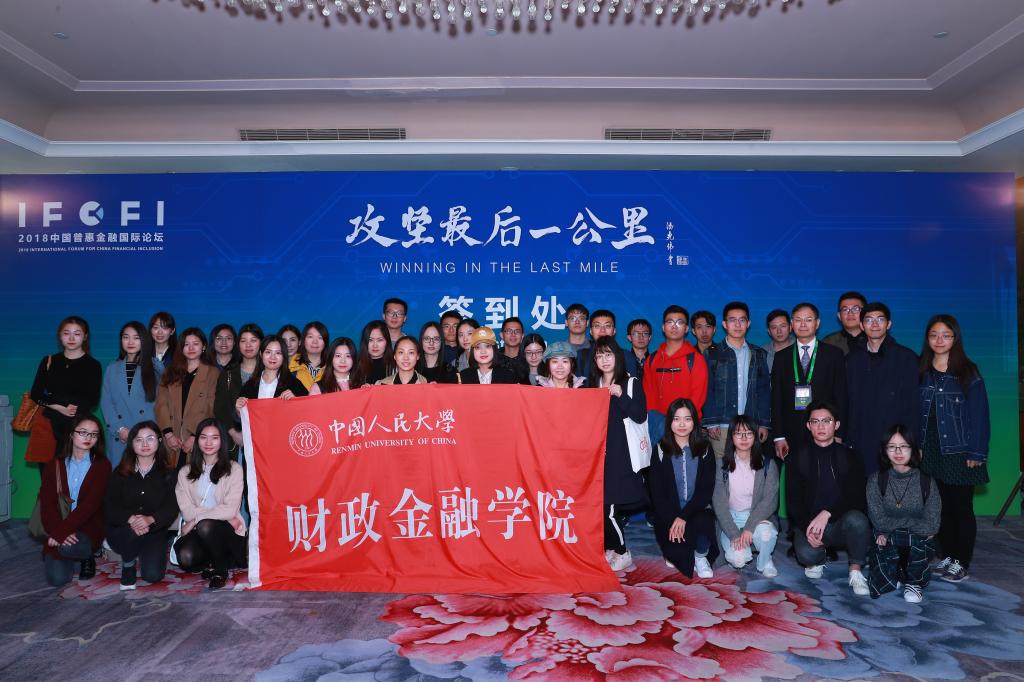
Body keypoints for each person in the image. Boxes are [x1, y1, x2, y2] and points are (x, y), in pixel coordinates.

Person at [918, 313, 989, 584]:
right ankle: (947, 555)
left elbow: (980, 415)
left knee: (961, 508)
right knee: (940, 507)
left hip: (959, 450)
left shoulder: (968, 371)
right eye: (934, 335)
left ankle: (961, 561)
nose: (939, 340)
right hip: (930, 449)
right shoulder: (922, 370)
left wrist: (976, 452)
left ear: (955, 338)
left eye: (946, 335)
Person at [786, 401, 870, 596]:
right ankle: (820, 557)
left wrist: (827, 513)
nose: (821, 426)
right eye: (815, 421)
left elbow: (857, 497)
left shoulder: (850, 456)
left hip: (840, 522)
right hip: (811, 524)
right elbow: (793, 502)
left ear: (836, 424)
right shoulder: (797, 457)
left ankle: (855, 571)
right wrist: (807, 527)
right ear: (808, 426)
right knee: (807, 555)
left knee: (858, 520)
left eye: (826, 421)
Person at [588, 337, 647, 572]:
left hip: (622, 455)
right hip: (598, 455)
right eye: (599, 356)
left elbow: (640, 415)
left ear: (617, 357)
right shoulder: (592, 385)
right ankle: (612, 548)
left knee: (608, 508)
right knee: (600, 507)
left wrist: (621, 395)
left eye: (608, 354)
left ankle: (622, 552)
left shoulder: (630, 382)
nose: (604, 360)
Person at [867, 425, 941, 603]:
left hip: (918, 542)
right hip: (886, 538)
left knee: (910, 538)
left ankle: (914, 582)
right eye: (892, 446)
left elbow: (932, 525)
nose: (898, 452)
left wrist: (891, 529)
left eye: (904, 446)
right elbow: (878, 521)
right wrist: (890, 530)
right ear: (885, 450)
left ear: (913, 449)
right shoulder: (876, 480)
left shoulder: (926, 482)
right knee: (882, 576)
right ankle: (897, 573)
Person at [845, 302, 919, 476]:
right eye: (869, 320)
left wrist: (911, 441)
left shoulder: (906, 358)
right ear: (861, 325)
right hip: (860, 440)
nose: (875, 324)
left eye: (880, 319)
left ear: (889, 324)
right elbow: (847, 402)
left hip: (895, 442)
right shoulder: (851, 360)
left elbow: (914, 405)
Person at [104, 421, 179, 590]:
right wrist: (131, 519)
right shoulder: (120, 472)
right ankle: (128, 565)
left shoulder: (169, 473)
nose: (145, 444)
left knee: (153, 576)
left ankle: (142, 552)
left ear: (159, 441)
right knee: (131, 533)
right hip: (123, 529)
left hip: (153, 530)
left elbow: (171, 507)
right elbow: (110, 506)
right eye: (138, 440)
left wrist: (150, 519)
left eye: (150, 438)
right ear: (132, 444)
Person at [173, 418, 247, 590]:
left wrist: (196, 519)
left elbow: (230, 510)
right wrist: (198, 518)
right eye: (203, 437)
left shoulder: (234, 469)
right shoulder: (185, 472)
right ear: (197, 440)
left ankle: (220, 570)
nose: (208, 443)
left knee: (206, 525)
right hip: (199, 531)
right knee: (185, 557)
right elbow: (187, 512)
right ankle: (214, 560)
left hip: (229, 532)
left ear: (222, 441)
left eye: (214, 438)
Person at [39, 413, 112, 586]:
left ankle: (87, 556)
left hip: (88, 524)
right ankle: (72, 552)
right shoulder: (54, 465)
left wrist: (60, 533)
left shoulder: (102, 465)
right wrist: (57, 530)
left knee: (68, 546)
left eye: (94, 434)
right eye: (83, 432)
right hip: (59, 524)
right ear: (71, 434)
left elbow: (90, 506)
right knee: (57, 580)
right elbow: (47, 504)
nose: (88, 438)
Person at [647, 398, 717, 579]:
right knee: (677, 557)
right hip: (669, 513)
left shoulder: (705, 448)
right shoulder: (660, 449)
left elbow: (706, 490)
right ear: (670, 422)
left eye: (687, 419)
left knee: (703, 531)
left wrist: (683, 517)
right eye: (676, 419)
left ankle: (700, 556)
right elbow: (657, 494)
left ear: (694, 421)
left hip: (696, 510)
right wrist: (673, 519)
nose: (682, 424)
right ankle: (678, 547)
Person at [771, 302, 847, 461]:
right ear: (792, 324)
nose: (803, 324)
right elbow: (776, 399)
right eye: (798, 320)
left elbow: (841, 396)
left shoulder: (834, 354)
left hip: (825, 431)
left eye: (808, 320)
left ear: (817, 323)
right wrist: (778, 436)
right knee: (795, 474)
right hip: (791, 433)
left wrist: (839, 434)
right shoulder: (781, 357)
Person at [29, 316, 103, 467]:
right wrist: (58, 407)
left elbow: (92, 399)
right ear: (60, 336)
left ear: (85, 336)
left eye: (77, 333)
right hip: (48, 425)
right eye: (66, 333)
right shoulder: (49, 361)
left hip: (77, 427)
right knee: (49, 474)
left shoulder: (93, 365)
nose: (71, 338)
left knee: (76, 474)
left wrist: (68, 408)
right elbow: (35, 393)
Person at [711, 415, 779, 577]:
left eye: (749, 433)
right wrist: (734, 534)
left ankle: (765, 560)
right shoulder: (721, 465)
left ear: (755, 437)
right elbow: (718, 503)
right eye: (738, 433)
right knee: (739, 559)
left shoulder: (768, 465)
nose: (743, 438)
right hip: (731, 518)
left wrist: (749, 527)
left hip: (757, 516)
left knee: (766, 534)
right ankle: (742, 547)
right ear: (731, 436)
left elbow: (770, 501)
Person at [703, 302, 771, 457]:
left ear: (748, 323)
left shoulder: (759, 354)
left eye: (742, 320)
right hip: (722, 425)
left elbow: (764, 391)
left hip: (751, 424)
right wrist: (712, 422)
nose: (738, 325)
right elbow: (707, 390)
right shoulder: (712, 353)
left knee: (750, 467)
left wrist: (763, 423)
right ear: (724, 324)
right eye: (732, 320)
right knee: (721, 468)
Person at [642, 305, 709, 450]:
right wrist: (659, 423)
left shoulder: (696, 359)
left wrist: (680, 421)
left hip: (687, 428)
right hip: (657, 428)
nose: (674, 326)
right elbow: (648, 394)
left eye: (680, 322)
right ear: (663, 327)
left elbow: (698, 397)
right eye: (670, 322)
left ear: (686, 329)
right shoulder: (652, 359)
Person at [101, 321, 164, 464]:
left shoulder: (156, 367)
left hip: (146, 436)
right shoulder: (112, 368)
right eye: (126, 337)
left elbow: (160, 403)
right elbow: (106, 403)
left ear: (144, 340)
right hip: (119, 435)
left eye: (136, 338)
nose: (130, 342)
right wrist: (120, 429)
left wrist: (142, 433)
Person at [155, 328, 219, 468]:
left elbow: (210, 407)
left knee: (194, 475)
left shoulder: (213, 373)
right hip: (171, 437)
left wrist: (195, 435)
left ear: (203, 346)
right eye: (186, 344)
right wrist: (169, 435)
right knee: (170, 476)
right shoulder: (170, 371)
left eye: (195, 344)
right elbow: (161, 404)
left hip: (198, 436)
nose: (191, 348)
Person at [214, 322, 263, 454]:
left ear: (261, 343)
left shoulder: (269, 372)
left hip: (264, 439)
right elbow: (220, 408)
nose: (248, 345)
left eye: (253, 340)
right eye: (243, 341)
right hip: (235, 440)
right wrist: (234, 433)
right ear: (238, 344)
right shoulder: (228, 373)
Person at [235, 335, 309, 414]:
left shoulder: (295, 385)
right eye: (268, 352)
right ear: (261, 354)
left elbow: (308, 412)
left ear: (284, 356)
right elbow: (241, 419)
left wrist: (297, 403)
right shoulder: (249, 386)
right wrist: (239, 411)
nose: (272, 357)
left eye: (278, 353)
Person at [822, 291, 866, 356]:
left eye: (855, 309)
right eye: (845, 310)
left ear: (865, 313)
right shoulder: (828, 342)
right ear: (839, 316)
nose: (850, 313)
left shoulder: (875, 339)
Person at [352, 320, 396, 386]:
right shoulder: (355, 365)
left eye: (379, 340)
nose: (375, 345)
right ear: (365, 342)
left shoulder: (395, 365)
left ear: (387, 341)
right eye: (370, 340)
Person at [289, 321, 329, 390]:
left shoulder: (333, 368)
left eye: (320, 337)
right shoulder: (290, 367)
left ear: (325, 342)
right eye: (310, 337)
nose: (315, 342)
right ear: (303, 340)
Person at [576, 309, 617, 373]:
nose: (602, 330)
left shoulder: (626, 356)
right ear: (591, 331)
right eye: (597, 326)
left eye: (607, 326)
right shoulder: (581, 356)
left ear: (614, 330)